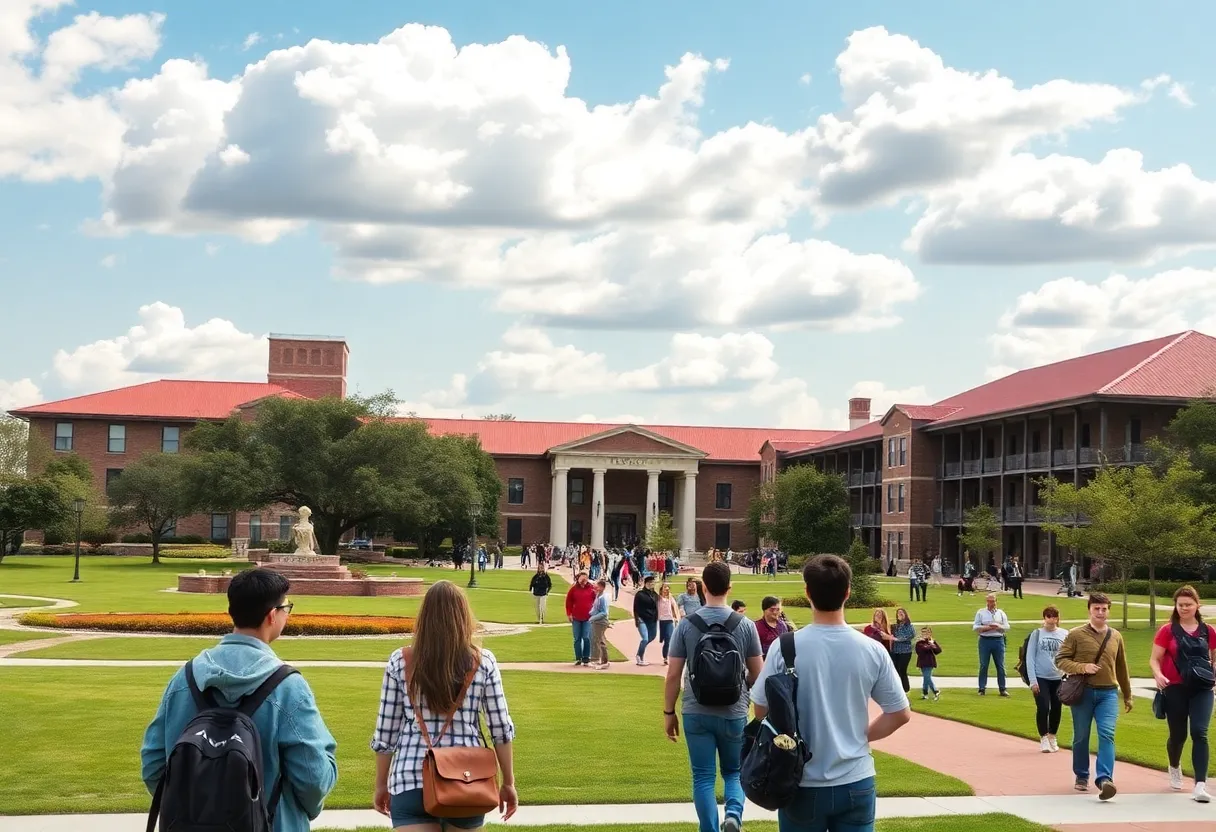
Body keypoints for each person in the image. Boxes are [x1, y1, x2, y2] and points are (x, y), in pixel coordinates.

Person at [140, 568, 338, 832]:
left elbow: (153, 763)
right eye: (287, 608)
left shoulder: (185, 679)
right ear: (272, 615)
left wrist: (194, 809)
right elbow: (313, 777)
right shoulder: (288, 687)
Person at [752, 554, 911, 832]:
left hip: (802, 778)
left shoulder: (785, 647)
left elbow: (760, 708)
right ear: (847, 592)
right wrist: (859, 736)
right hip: (856, 777)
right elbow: (899, 713)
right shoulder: (871, 649)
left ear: (807, 592)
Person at [370, 580, 518, 829]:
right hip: (467, 777)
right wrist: (508, 783)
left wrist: (381, 785)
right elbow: (500, 729)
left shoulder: (401, 661)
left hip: (411, 775)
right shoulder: (483, 662)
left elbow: (386, 734)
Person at [664, 562, 763, 832]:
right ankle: (733, 814)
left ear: (703, 587)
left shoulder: (687, 625)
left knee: (703, 777)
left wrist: (669, 712)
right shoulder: (745, 625)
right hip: (734, 710)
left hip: (696, 709)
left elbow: (673, 675)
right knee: (733, 772)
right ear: (730, 587)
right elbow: (758, 674)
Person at [1055, 592, 1133, 800]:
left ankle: (1105, 779)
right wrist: (1082, 667)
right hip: (1084, 692)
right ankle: (1081, 775)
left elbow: (1122, 667)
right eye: (1096, 608)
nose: (1100, 612)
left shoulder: (1116, 636)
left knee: (1107, 734)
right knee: (1081, 736)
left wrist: (1127, 694)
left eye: (1104, 609)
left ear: (1109, 611)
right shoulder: (1075, 634)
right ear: (1089, 610)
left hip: (1109, 693)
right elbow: (1061, 660)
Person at [1149, 585, 1216, 801]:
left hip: (1202, 688)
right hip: (1175, 687)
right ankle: (1174, 765)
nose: (1184, 608)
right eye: (1180, 605)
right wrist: (1158, 675)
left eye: (1188, 604)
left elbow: (1214, 657)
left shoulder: (1208, 631)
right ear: (1175, 606)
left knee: (1199, 732)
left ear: (1197, 605)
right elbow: (1155, 659)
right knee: (1178, 736)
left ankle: (1200, 785)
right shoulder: (1167, 630)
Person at [1027, 605, 1066, 754]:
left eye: (1054, 616)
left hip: (1058, 677)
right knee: (1043, 707)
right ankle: (1043, 737)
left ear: (1058, 618)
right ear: (1044, 618)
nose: (1051, 619)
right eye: (1048, 616)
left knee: (1056, 708)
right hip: (1041, 677)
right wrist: (1033, 681)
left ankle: (1052, 736)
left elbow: (1068, 655)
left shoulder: (1064, 634)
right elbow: (1030, 657)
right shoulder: (1037, 634)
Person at [973, 593, 1010, 696]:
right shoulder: (981, 612)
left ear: (996, 601)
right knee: (984, 665)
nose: (991, 603)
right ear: (986, 602)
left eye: (993, 601)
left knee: (1000, 665)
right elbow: (975, 627)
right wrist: (988, 628)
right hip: (985, 641)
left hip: (998, 640)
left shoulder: (1001, 613)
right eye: (989, 601)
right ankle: (981, 688)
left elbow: (1007, 627)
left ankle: (1002, 689)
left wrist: (998, 627)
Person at [565, 571, 596, 667]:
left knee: (586, 637)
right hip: (576, 617)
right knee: (577, 638)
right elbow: (568, 602)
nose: (583, 581)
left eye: (585, 579)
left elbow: (596, 601)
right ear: (578, 579)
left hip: (588, 617)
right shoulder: (573, 589)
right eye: (582, 579)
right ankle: (578, 658)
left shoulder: (592, 589)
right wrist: (569, 614)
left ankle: (586, 657)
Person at [633, 574, 661, 666]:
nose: (652, 584)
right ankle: (639, 656)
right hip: (642, 619)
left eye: (653, 583)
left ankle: (640, 651)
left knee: (652, 636)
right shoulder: (640, 594)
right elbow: (635, 607)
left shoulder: (655, 594)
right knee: (645, 639)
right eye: (650, 583)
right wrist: (637, 619)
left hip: (652, 619)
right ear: (646, 583)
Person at [588, 578, 613, 671]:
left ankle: (601, 660)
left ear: (602, 587)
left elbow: (604, 612)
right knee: (600, 640)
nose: (595, 587)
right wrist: (591, 613)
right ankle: (603, 660)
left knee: (598, 641)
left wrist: (592, 618)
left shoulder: (602, 598)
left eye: (597, 586)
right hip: (598, 621)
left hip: (600, 622)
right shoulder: (599, 595)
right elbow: (595, 608)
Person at [890, 608, 915, 694]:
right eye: (898, 613)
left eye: (901, 613)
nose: (900, 614)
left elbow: (910, 636)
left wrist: (895, 639)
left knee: (902, 670)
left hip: (905, 651)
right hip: (895, 651)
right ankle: (899, 690)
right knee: (896, 670)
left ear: (905, 614)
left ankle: (906, 689)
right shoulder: (895, 626)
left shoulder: (909, 626)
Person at [915, 626, 941, 701]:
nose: (925, 634)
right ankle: (925, 693)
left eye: (927, 632)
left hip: (930, 662)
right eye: (923, 632)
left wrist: (933, 644)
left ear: (930, 633)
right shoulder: (919, 643)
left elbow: (938, 651)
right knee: (926, 678)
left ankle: (934, 691)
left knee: (927, 677)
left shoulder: (931, 641)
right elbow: (922, 650)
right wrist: (931, 645)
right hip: (922, 662)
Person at [658, 582, 680, 666]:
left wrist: (677, 618)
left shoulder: (670, 598)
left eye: (667, 588)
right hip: (661, 621)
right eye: (664, 587)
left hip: (669, 620)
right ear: (661, 590)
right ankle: (665, 654)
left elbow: (675, 608)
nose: (666, 589)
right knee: (663, 639)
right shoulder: (658, 598)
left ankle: (666, 657)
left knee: (668, 638)